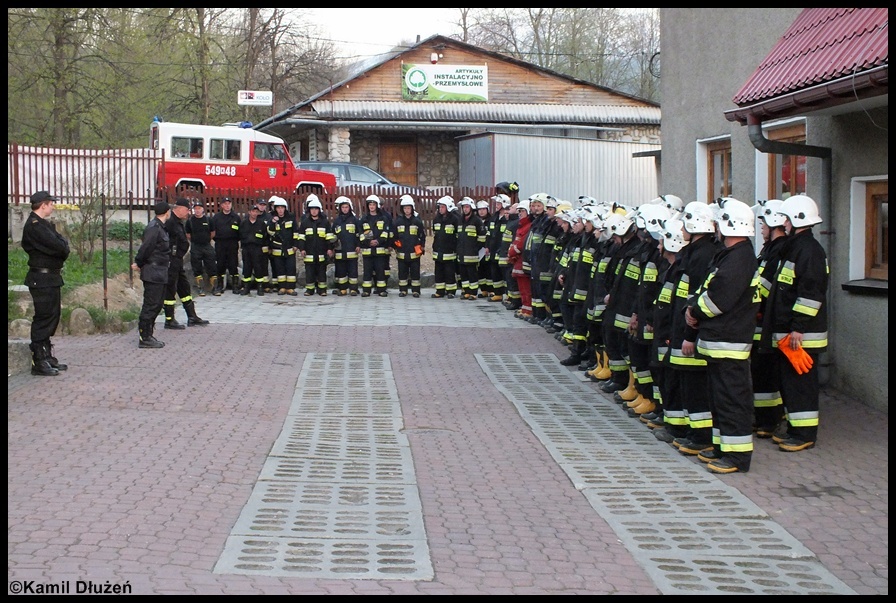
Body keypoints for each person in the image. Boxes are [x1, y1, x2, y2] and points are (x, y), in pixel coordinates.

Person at [685, 198, 760, 474]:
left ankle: (737, 457)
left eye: (718, 223)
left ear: (729, 226)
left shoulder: (739, 258)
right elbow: (708, 288)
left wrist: (694, 310)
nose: (714, 228)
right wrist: (695, 306)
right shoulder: (731, 256)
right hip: (719, 343)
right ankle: (722, 448)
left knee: (732, 402)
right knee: (720, 400)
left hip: (729, 343)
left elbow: (717, 299)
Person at [760, 194, 829, 453]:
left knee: (801, 387)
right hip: (792, 333)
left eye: (787, 219)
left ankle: (804, 435)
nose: (783, 224)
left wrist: (798, 326)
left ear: (797, 219)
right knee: (790, 384)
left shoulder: (808, 251)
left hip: (802, 335)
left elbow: (811, 293)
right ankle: (793, 428)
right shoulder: (796, 248)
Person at [21, 190, 71, 375]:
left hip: (51, 277)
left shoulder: (44, 224)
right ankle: (38, 360)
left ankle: (46, 354)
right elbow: (58, 246)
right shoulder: (34, 225)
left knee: (52, 316)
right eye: (51, 203)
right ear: (43, 205)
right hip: (41, 278)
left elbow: (62, 243)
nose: (53, 206)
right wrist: (62, 248)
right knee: (43, 317)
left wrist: (63, 247)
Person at [163, 198, 209, 329]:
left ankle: (192, 316)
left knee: (184, 287)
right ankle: (169, 319)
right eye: (187, 209)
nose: (188, 212)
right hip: (171, 260)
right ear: (179, 208)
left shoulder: (179, 222)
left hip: (178, 260)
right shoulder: (170, 222)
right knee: (170, 289)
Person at [132, 200, 172, 349]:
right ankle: (144, 336)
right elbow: (146, 248)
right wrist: (139, 262)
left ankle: (149, 333)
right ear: (167, 212)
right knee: (151, 304)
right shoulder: (154, 228)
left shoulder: (160, 227)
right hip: (153, 271)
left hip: (160, 271)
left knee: (157, 303)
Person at [297, 193, 335, 296]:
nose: (314, 211)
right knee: (309, 271)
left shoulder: (325, 222)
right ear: (309, 210)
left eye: (316, 209)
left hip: (321, 251)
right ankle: (310, 289)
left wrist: (330, 249)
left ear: (319, 210)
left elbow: (329, 237)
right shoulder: (305, 223)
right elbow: (301, 237)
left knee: (321, 271)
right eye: (312, 209)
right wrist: (302, 249)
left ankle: (322, 290)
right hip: (309, 252)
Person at [393, 194, 427, 297]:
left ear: (412, 208)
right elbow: (394, 236)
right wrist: (396, 246)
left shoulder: (417, 221)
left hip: (414, 253)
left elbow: (422, 235)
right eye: (405, 208)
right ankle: (403, 290)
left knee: (415, 273)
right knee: (402, 273)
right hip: (402, 253)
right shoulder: (398, 221)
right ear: (402, 209)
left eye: (409, 208)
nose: (407, 210)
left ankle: (416, 291)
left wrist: (422, 246)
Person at [359, 194, 393, 297]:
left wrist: (378, 241)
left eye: (373, 205)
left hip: (379, 250)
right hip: (368, 250)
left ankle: (381, 290)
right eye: (370, 205)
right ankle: (366, 290)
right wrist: (368, 242)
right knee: (367, 271)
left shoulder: (383, 218)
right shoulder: (364, 219)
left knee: (380, 271)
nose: (372, 207)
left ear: (377, 205)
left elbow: (385, 232)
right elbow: (361, 233)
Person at [267, 195, 300, 295]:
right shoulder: (272, 219)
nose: (280, 210)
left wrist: (295, 245)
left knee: (290, 268)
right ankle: (282, 287)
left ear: (285, 208)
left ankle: (290, 288)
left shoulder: (291, 218)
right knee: (279, 268)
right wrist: (273, 223)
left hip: (289, 248)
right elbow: (270, 232)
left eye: (282, 208)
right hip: (277, 248)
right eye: (278, 208)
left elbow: (296, 232)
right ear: (275, 209)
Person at [507, 200, 534, 318]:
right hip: (518, 261)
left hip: (523, 261)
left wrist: (512, 252)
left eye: (522, 211)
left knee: (526, 289)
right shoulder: (521, 225)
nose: (520, 213)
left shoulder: (528, 226)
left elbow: (521, 244)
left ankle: (528, 310)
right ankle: (525, 308)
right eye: (519, 211)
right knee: (522, 288)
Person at [456, 197, 486, 300]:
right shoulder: (460, 220)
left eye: (467, 207)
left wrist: (474, 248)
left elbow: (482, 237)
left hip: (472, 254)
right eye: (464, 207)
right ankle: (466, 292)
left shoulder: (477, 221)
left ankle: (473, 293)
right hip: (462, 253)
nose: (465, 209)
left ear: (471, 208)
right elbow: (457, 236)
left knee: (472, 273)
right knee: (463, 274)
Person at [331, 196, 362, 296]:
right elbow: (332, 235)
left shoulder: (354, 220)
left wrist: (358, 245)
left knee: (353, 271)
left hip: (352, 251)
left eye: (346, 207)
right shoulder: (337, 221)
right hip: (340, 252)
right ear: (340, 209)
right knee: (341, 271)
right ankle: (343, 289)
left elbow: (359, 234)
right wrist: (332, 247)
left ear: (350, 208)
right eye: (343, 207)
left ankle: (353, 289)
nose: (345, 209)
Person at [185, 201, 216, 296]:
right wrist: (195, 240)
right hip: (195, 246)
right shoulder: (190, 221)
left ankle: (214, 288)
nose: (197, 210)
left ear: (203, 209)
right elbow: (188, 234)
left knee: (211, 266)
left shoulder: (208, 220)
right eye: (196, 208)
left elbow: (213, 232)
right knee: (196, 267)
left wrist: (206, 240)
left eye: (199, 208)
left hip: (207, 245)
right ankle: (201, 288)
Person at [430, 195, 460, 298]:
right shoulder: (436, 219)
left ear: (448, 207)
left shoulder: (455, 220)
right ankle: (440, 291)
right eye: (440, 207)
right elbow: (435, 233)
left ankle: (451, 291)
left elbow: (458, 235)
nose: (441, 209)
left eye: (443, 207)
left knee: (449, 272)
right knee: (438, 272)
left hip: (449, 252)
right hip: (438, 251)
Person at [210, 197, 241, 294]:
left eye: (229, 203)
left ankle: (235, 286)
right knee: (220, 265)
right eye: (225, 204)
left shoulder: (236, 217)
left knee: (233, 265)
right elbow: (213, 231)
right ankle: (220, 286)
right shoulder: (216, 217)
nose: (227, 205)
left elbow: (240, 231)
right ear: (222, 205)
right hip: (220, 243)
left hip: (232, 243)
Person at [239, 203, 271, 295]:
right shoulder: (244, 223)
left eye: (256, 212)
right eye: (253, 211)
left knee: (258, 268)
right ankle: (246, 287)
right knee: (247, 268)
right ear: (249, 212)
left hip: (257, 248)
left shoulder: (261, 224)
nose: (254, 213)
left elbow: (266, 236)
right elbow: (240, 235)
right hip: (246, 248)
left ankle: (260, 287)